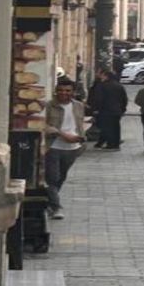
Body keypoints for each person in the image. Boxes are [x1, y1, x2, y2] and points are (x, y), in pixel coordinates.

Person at [43, 79, 88, 220]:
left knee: (61, 177)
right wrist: (63, 135)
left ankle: (50, 203)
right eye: (61, 90)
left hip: (73, 148)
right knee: (52, 177)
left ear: (73, 92)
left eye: (68, 90)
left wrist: (81, 138)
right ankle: (56, 207)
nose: (64, 93)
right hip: (54, 146)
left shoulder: (79, 106)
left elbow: (79, 124)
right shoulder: (49, 106)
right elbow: (43, 124)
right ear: (56, 91)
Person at [86, 68, 127, 150]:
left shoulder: (102, 86)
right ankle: (116, 144)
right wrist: (122, 109)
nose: (101, 77)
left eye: (103, 76)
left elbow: (98, 99)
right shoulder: (119, 86)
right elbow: (124, 99)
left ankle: (110, 144)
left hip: (105, 110)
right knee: (116, 127)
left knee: (107, 127)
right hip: (117, 110)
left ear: (106, 76)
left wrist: (95, 109)